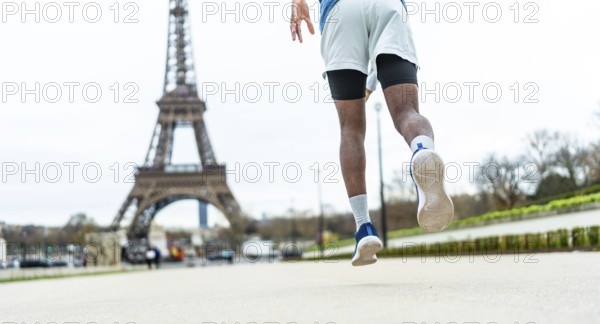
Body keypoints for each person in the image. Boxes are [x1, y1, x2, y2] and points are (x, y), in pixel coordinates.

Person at [290, 0, 454, 266]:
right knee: (406, 113)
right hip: (388, 8)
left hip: (340, 13)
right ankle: (421, 151)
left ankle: (364, 227)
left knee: (351, 130)